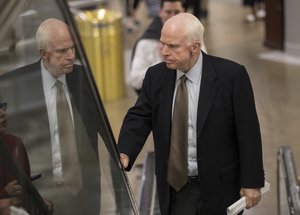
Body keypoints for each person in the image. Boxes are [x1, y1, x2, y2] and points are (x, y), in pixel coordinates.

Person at [118, 13, 265, 214]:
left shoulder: (232, 77)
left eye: (172, 46)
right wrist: (125, 150)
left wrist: (252, 181)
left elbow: (248, 132)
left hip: (220, 189)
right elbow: (140, 115)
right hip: (175, 188)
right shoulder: (156, 76)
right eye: (162, 44)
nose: (164, 52)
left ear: (194, 47)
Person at [0, 18, 100, 215]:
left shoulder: (84, 78)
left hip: (86, 192)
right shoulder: (15, 86)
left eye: (73, 48)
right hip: (42, 194)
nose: (71, 56)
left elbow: (102, 134)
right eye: (63, 51)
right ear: (44, 54)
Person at [129, 0, 201, 94]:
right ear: (160, 12)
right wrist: (162, 63)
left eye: (176, 12)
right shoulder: (146, 42)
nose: (172, 17)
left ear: (183, 11)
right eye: (168, 12)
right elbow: (135, 80)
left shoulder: (193, 37)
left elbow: (203, 69)